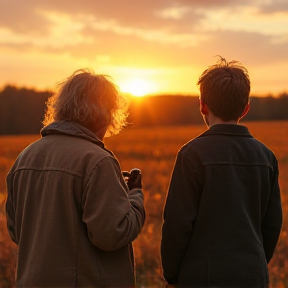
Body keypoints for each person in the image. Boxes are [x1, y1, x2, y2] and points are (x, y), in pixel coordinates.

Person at [5, 69, 145, 288]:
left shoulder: (24, 159)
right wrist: (135, 197)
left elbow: (16, 232)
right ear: (105, 114)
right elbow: (112, 234)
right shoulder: (98, 161)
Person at [161, 57, 282, 288]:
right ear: (246, 108)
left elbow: (177, 223)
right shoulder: (266, 157)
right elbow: (272, 223)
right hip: (252, 275)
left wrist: (172, 274)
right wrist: (253, 263)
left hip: (201, 277)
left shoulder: (191, 155)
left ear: (202, 105)